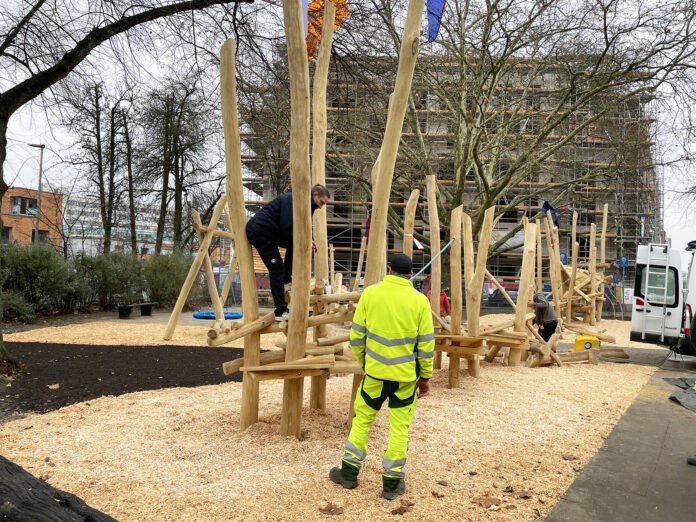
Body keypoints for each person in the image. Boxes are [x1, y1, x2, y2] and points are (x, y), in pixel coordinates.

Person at [329, 253, 434, 500]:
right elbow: (426, 346)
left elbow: (356, 337)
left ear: (389, 269)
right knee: (399, 429)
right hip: (405, 380)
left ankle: (349, 473)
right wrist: (425, 377)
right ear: (411, 274)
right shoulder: (420, 301)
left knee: (362, 420)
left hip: (374, 375)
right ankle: (392, 484)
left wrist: (367, 363)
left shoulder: (371, 294)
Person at [245, 184, 330, 321]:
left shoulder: (307, 206)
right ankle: (280, 311)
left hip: (272, 232)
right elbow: (287, 227)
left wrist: (310, 239)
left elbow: (304, 227)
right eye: (321, 202)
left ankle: (286, 280)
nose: (321, 207)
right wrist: (305, 241)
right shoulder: (292, 200)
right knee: (276, 268)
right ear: (315, 195)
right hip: (259, 231)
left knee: (296, 243)